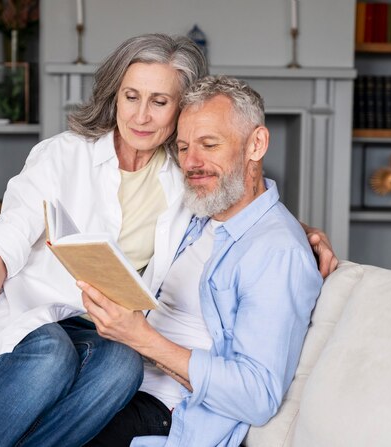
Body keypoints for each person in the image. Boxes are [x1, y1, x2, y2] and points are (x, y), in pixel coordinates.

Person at [0, 34, 336, 447]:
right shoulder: (63, 155)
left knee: (122, 364)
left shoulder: (183, 173)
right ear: (114, 97)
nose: (141, 116)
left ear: (180, 110)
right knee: (49, 355)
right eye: (131, 97)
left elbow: (239, 194)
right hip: (32, 325)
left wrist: (299, 231)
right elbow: (1, 243)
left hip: (105, 336)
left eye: (159, 102)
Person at [79, 75, 323, 447]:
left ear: (256, 143)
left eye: (209, 145)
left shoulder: (278, 252)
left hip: (163, 411)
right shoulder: (196, 215)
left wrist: (141, 338)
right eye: (182, 148)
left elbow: (257, 396)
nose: (191, 163)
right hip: (114, 376)